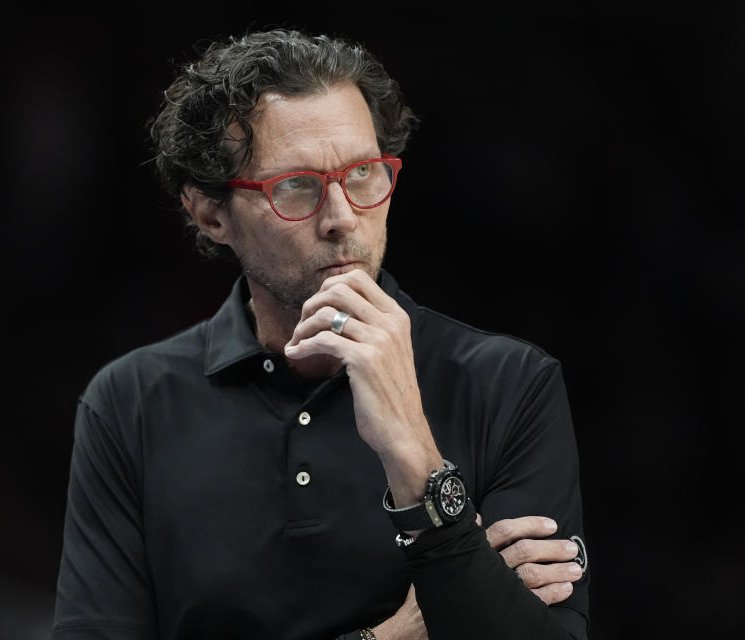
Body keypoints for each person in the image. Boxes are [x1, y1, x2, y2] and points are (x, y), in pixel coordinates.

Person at [53, 30, 590, 639]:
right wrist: (394, 636)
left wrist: (413, 456)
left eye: (364, 173)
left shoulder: (510, 383)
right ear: (210, 213)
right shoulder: (129, 404)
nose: (341, 218)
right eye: (296, 187)